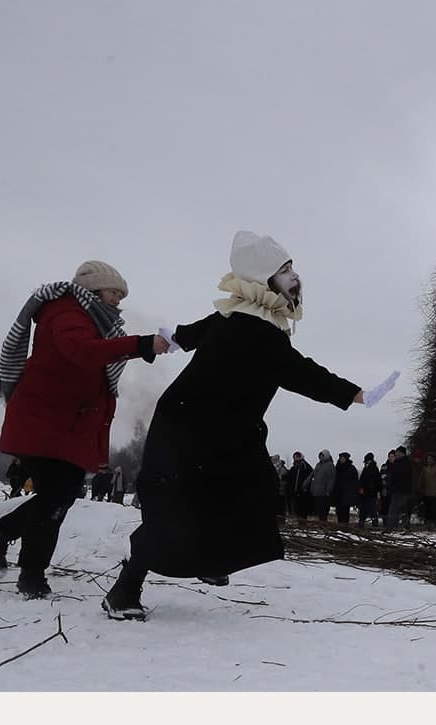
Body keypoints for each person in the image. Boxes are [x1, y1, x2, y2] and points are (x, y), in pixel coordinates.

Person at [102, 229, 397, 620]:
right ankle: (125, 591)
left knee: (243, 495)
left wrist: (170, 339)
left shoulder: (247, 321)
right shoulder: (249, 325)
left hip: (225, 433)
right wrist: (355, 394)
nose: (295, 277)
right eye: (285, 270)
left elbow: (190, 335)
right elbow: (303, 374)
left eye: (293, 268)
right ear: (262, 278)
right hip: (189, 431)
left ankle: (209, 558)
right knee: (177, 511)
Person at [0, 261, 169, 599]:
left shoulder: (95, 322)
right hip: (44, 421)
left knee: (59, 496)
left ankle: (0, 535)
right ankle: (31, 574)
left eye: (122, 296)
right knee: (56, 497)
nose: (118, 302)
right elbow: (82, 352)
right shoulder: (65, 312)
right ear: (92, 290)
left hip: (65, 425)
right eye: (113, 293)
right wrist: (141, 345)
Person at [383, 446, 414, 530]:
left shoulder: (405, 463)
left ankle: (393, 527)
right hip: (397, 490)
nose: (396, 454)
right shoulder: (398, 463)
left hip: (402, 490)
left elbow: (401, 476)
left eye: (398, 453)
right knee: (397, 508)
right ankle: (396, 526)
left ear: (402, 454)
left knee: (396, 509)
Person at [415, 451, 436, 528]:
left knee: (435, 509)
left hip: (435, 493)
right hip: (426, 493)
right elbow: (421, 479)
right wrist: (419, 488)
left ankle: (435, 523)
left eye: (430, 459)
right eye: (428, 459)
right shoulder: (425, 469)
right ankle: (428, 523)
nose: (429, 460)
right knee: (427, 509)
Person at [308, 450, 337, 522]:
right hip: (316, 491)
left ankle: (324, 525)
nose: (321, 457)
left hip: (324, 492)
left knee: (323, 511)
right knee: (318, 510)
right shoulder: (318, 465)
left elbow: (331, 479)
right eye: (320, 456)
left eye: (322, 456)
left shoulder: (330, 465)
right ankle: (321, 524)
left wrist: (328, 490)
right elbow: (312, 475)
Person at [285, 450, 312, 523]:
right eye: (295, 457)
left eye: (298, 456)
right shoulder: (293, 468)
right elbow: (289, 478)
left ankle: (303, 524)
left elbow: (310, 477)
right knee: (296, 510)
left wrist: (305, 488)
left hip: (303, 492)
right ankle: (298, 523)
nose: (296, 458)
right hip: (294, 491)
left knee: (303, 510)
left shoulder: (306, 467)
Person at [333, 451, 359, 525]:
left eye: (343, 458)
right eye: (340, 458)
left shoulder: (351, 468)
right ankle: (340, 526)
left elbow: (355, 482)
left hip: (347, 494)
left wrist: (353, 493)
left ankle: (345, 527)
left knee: (345, 512)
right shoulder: (337, 467)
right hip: (338, 494)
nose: (342, 459)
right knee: (339, 511)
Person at [358, 451, 381, 527]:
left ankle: (375, 524)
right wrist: (360, 488)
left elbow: (377, 482)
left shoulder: (374, 469)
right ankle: (361, 523)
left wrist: (375, 490)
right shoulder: (366, 469)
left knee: (372, 510)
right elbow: (362, 480)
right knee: (363, 510)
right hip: (365, 493)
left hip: (371, 493)